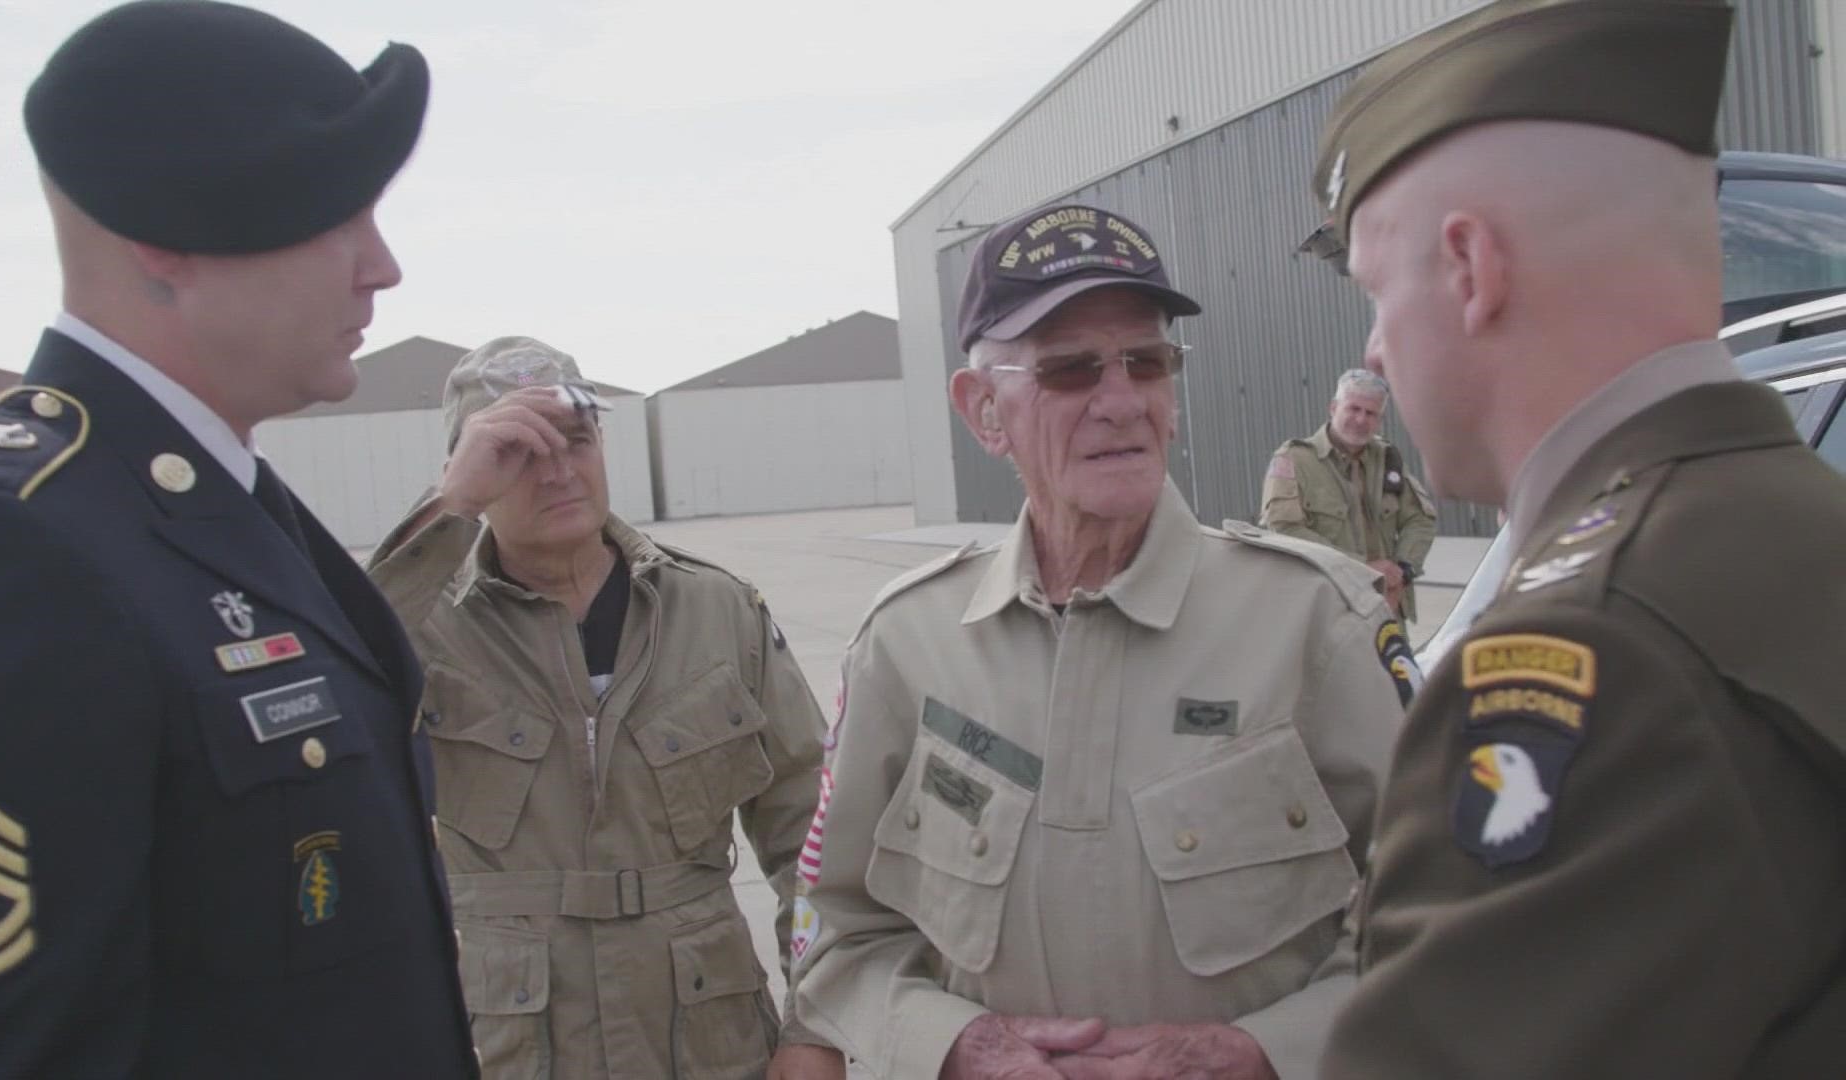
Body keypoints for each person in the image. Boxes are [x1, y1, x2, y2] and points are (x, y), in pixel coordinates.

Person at [0, 2, 476, 1076]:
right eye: (339, 213)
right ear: (165, 236)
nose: (383, 266)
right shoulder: (13, 544)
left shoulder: (216, 506)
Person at [1306, 1, 1846, 1075]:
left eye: (1375, 289)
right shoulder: (1805, 525)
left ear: (1470, 268)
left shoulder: (1588, 657)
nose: (1374, 347)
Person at [787, 202, 1408, 1080]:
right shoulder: (908, 642)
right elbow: (836, 927)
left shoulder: (1319, 623)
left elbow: (1461, 913)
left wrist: (1272, 1051)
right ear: (983, 410)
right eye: (1071, 370)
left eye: (1146, 363)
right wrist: (952, 1045)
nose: (1120, 402)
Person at [364, 336, 840, 1079]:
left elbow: (813, 836)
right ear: (473, 469)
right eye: (519, 452)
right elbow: (336, 686)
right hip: (515, 1049)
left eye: (577, 440)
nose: (557, 469)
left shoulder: (717, 610)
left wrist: (815, 1025)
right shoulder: (424, 623)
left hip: (711, 1043)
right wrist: (448, 506)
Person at [1259, 368, 1436, 625]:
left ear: (1380, 420)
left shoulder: (1388, 459)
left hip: (1387, 609)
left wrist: (1402, 571)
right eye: (1354, 409)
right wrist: (1363, 569)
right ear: (1333, 408)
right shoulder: (1294, 460)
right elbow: (1285, 530)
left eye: (1371, 413)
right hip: (1327, 611)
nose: (1361, 420)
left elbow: (1421, 519)